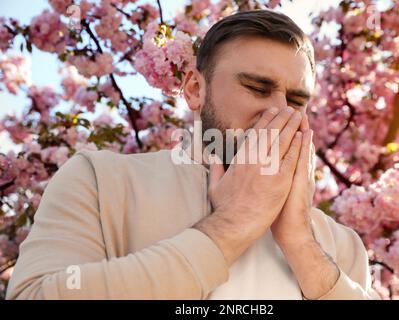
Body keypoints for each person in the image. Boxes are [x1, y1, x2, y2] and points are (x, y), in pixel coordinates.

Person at [6, 10, 380, 300]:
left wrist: (302, 245)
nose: (280, 112)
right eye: (256, 87)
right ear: (195, 90)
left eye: (297, 100)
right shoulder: (99, 180)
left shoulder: (339, 243)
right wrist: (232, 224)